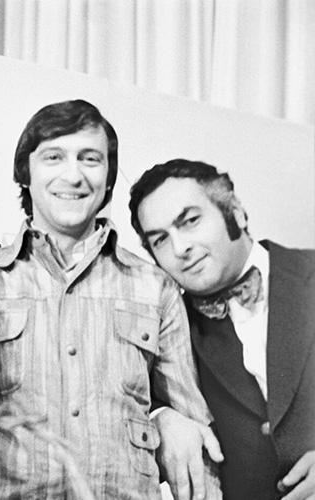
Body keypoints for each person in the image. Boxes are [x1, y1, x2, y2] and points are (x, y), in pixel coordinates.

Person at [0, 100, 217, 499]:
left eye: (90, 159)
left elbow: (191, 433)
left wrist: (168, 416)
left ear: (108, 179)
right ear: (25, 173)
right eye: (54, 157)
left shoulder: (154, 286)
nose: (73, 176)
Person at [129, 159, 315, 500]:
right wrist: (160, 417)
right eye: (160, 240)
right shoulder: (164, 331)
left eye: (190, 221)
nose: (180, 248)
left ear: (237, 213)